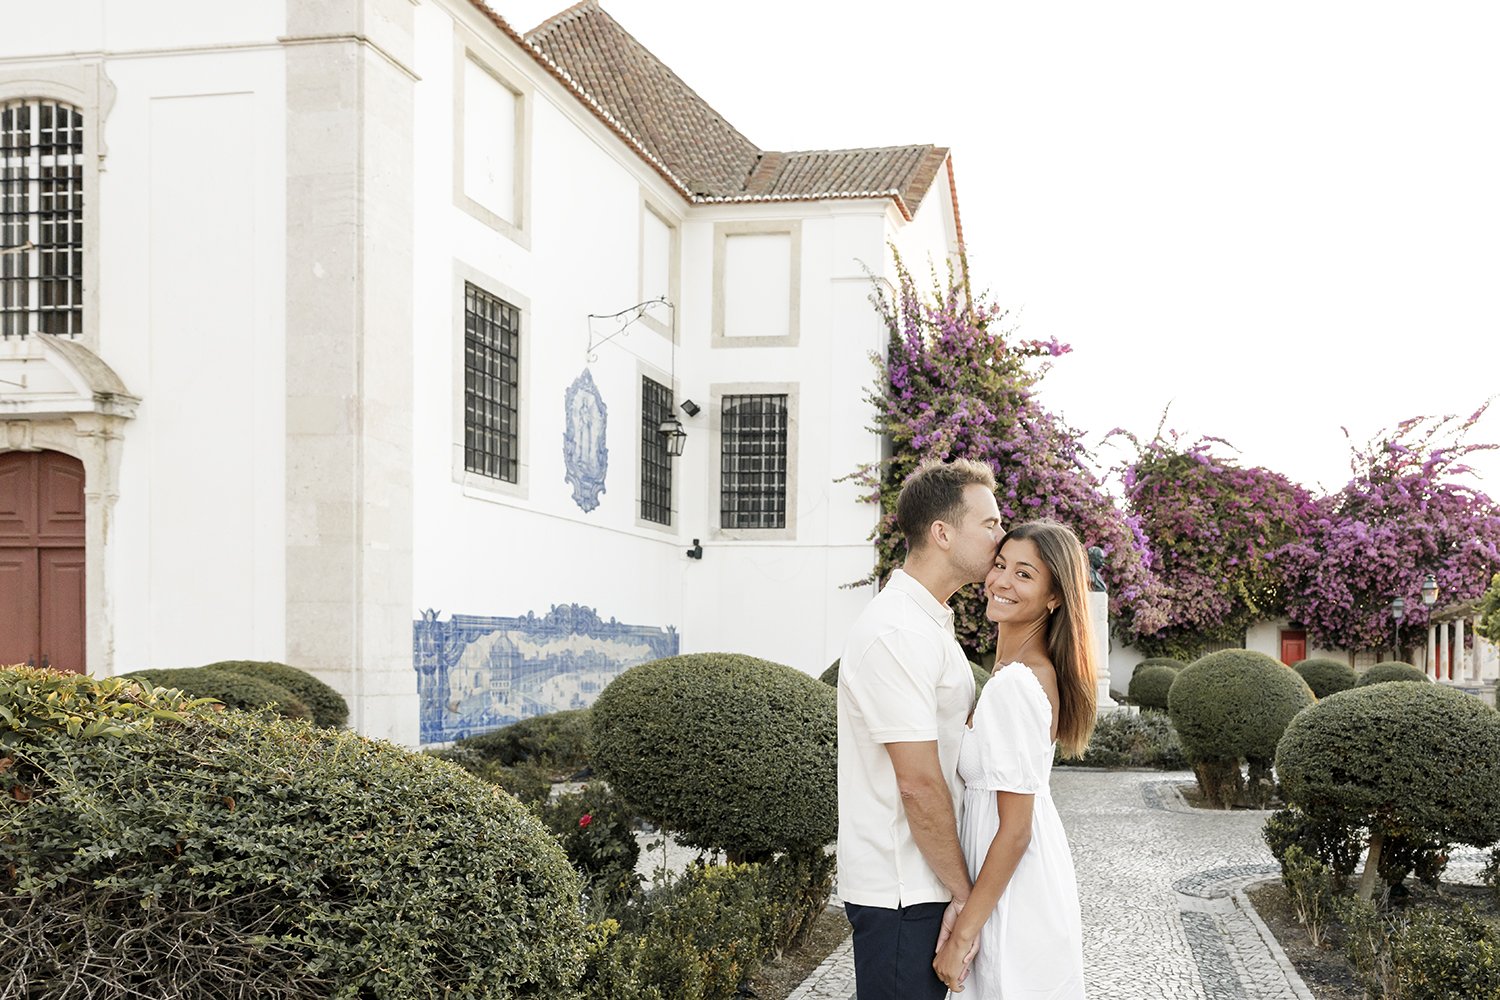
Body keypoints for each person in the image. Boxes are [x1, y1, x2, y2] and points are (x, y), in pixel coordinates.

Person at [837, 458, 1003, 1000]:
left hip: (924, 880)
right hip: (904, 888)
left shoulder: (929, 622)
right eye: (990, 523)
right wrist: (963, 895)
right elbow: (918, 783)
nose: (1001, 536)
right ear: (942, 533)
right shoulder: (898, 631)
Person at [933, 518, 1096, 998]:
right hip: (1013, 883)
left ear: (1054, 597)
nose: (1001, 581)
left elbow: (1016, 829)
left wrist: (963, 933)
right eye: (1000, 565)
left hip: (1010, 894)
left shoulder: (1017, 683)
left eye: (1024, 574)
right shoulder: (1019, 674)